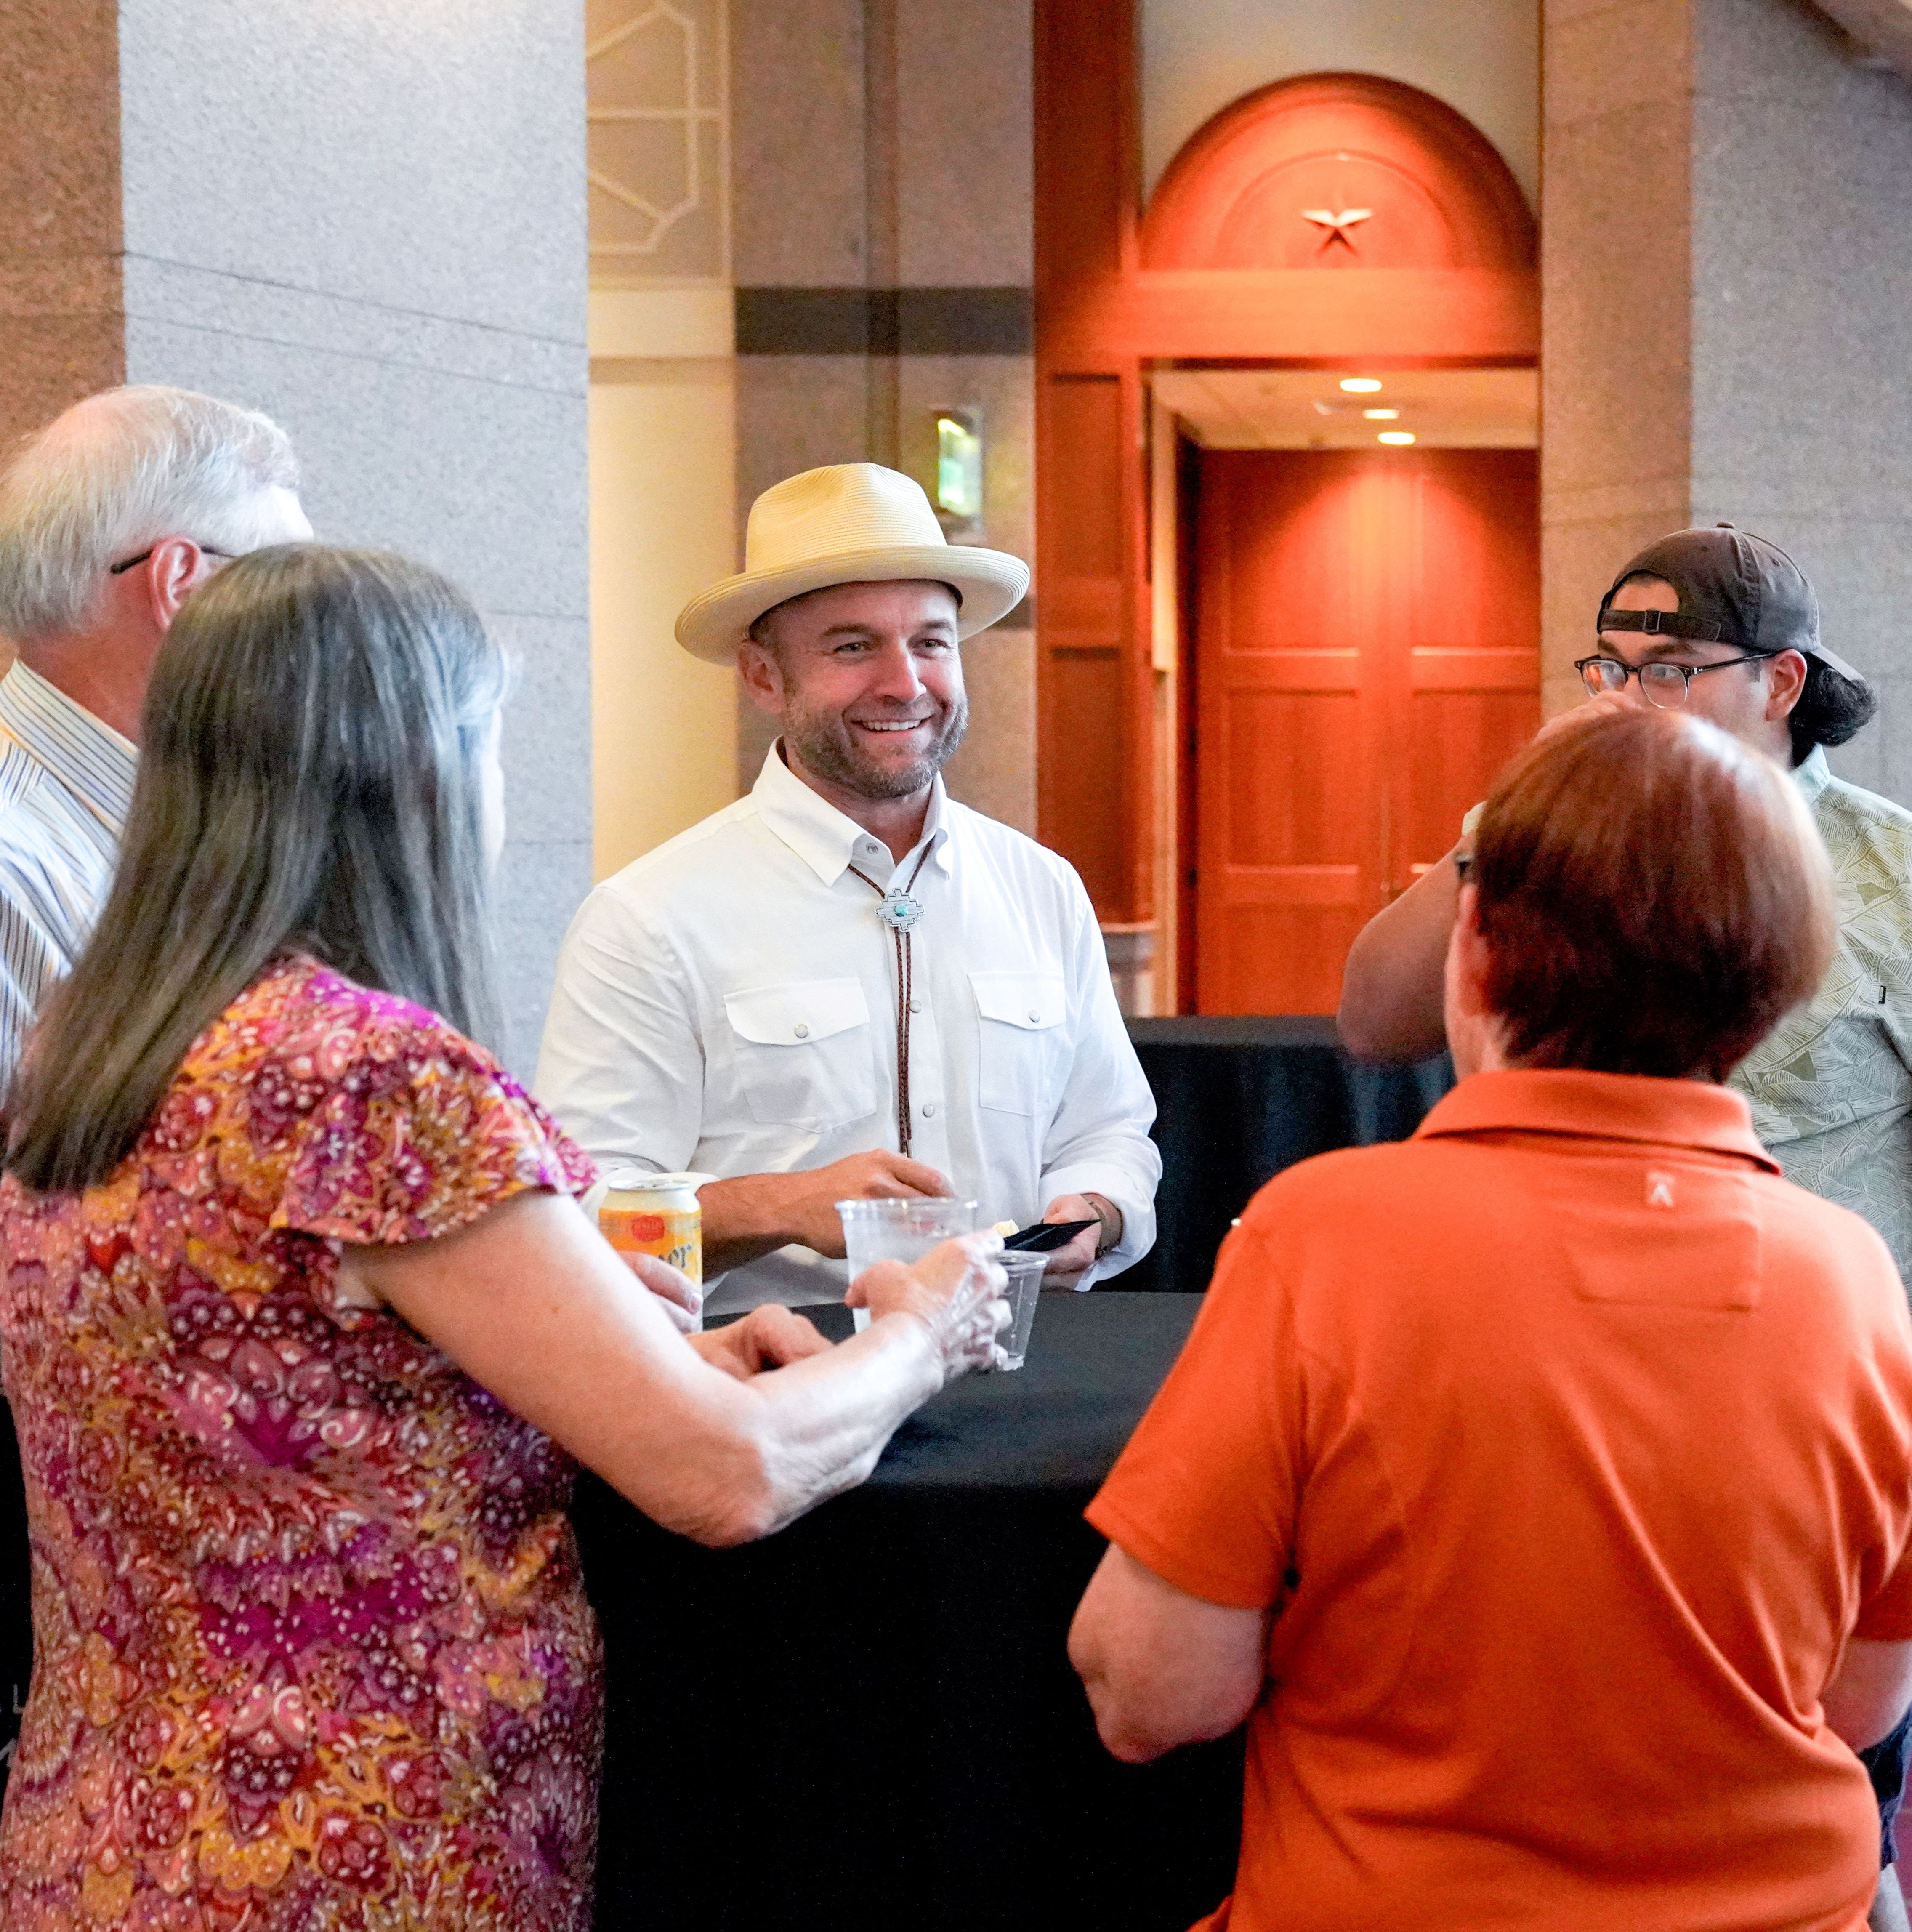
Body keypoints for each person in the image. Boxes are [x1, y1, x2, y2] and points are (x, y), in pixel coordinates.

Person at [0, 546, 1007, 1931]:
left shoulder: (89, 1038)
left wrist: (626, 1355)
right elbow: (727, 1480)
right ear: (407, 772)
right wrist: (920, 1334)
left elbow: (264, 1388)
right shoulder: (365, 1074)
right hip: (358, 1845)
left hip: (107, 1830)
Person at [1070, 707, 1912, 1932]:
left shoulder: (1320, 1235)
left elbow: (1152, 1691)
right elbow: (1858, 1706)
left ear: (1470, 945)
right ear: (1775, 981)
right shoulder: (1849, 1277)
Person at [1335, 525, 1912, 1929]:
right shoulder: (1558, 839)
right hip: (1556, 1401)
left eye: (1669, 668)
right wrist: (1506, 821)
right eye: (1610, 664)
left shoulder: (1902, 881)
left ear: (1779, 684)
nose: (1626, 697)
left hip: (1822, 1419)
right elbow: (1371, 1020)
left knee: (1824, 1778)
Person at [536, 462, 1160, 1314]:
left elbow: (1109, 1129)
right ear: (762, 677)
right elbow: (581, 1212)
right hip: (769, 1394)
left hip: (1018, 1372)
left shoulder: (1041, 887)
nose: (906, 683)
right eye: (854, 646)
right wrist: (783, 1207)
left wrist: (1096, 1207)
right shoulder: (649, 918)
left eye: (932, 642)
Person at [0, 383, 312, 1083]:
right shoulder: (11, 861)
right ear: (180, 582)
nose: (316, 639)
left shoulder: (196, 817)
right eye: (292, 591)